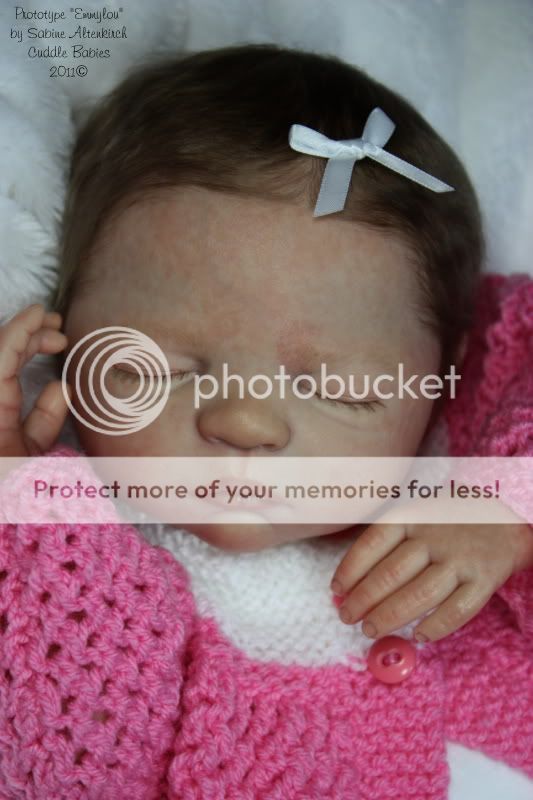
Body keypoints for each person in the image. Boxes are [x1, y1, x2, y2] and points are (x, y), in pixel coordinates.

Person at [0, 43, 531, 799]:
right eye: (165, 371)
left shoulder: (462, 474)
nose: (245, 422)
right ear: (70, 339)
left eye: (343, 387)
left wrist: (510, 511)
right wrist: (30, 518)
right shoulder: (82, 546)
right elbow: (61, 757)